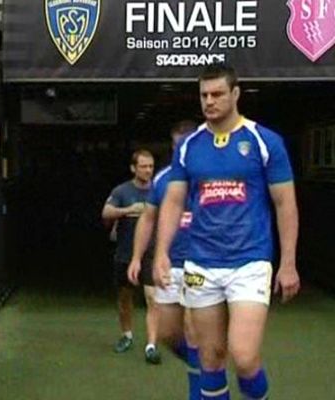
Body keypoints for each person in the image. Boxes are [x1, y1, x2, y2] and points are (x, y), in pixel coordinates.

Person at [154, 63, 300, 400]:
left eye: (217, 93)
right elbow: (174, 201)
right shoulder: (189, 146)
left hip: (250, 261)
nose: (210, 100)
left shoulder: (264, 142)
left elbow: (285, 204)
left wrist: (288, 262)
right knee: (210, 357)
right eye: (204, 94)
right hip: (202, 262)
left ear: (235, 94)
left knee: (245, 357)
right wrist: (161, 252)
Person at [128, 120, 200, 399]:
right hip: (169, 263)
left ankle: (201, 388)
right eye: (176, 145)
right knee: (170, 333)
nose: (182, 150)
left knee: (195, 327)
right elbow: (147, 219)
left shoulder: (212, 174)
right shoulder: (164, 179)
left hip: (203, 262)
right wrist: (136, 257)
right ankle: (203, 365)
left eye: (187, 144)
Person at [101, 149, 160, 363]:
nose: (148, 170)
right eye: (143, 166)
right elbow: (106, 213)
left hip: (151, 252)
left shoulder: (159, 189)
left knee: (153, 298)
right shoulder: (122, 191)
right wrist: (127, 210)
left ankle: (151, 345)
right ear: (133, 168)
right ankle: (127, 335)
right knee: (125, 298)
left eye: (151, 166)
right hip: (125, 252)